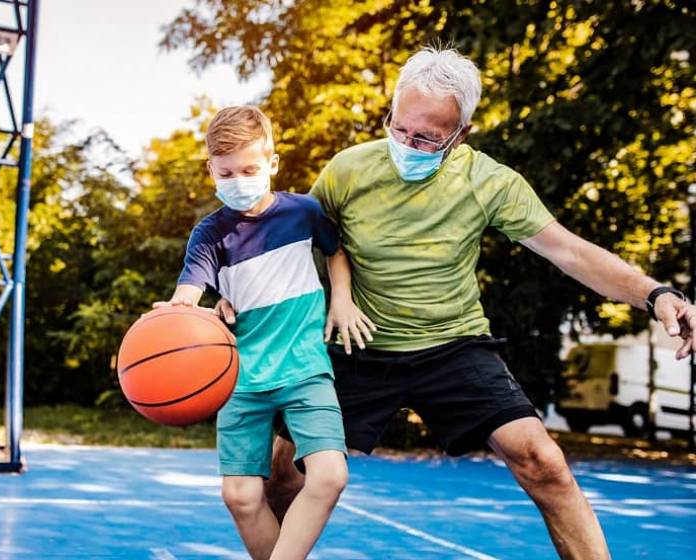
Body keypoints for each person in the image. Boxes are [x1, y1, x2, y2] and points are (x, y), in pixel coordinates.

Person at [215, 47, 696, 559]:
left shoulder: (490, 183)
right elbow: (283, 241)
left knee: (544, 462)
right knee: (279, 473)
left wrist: (655, 292)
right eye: (398, 128)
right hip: (359, 343)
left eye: (425, 137)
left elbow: (570, 252)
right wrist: (230, 298)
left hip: (452, 343)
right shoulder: (349, 171)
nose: (406, 143)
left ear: (461, 133)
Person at [153, 106, 370, 559]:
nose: (239, 180)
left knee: (329, 475)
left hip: (305, 368)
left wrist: (342, 299)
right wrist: (179, 315)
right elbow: (188, 294)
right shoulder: (209, 234)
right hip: (240, 377)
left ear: (272, 163)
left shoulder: (303, 213)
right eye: (227, 172)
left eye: (249, 169)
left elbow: (336, 251)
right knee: (240, 497)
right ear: (210, 169)